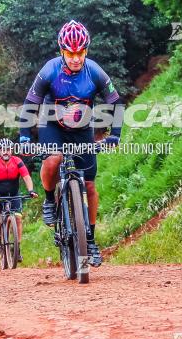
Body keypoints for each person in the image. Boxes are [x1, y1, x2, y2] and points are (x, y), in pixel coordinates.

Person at [18, 20, 122, 267]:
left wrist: (114, 134)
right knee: (52, 158)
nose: (75, 58)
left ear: (86, 51)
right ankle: (50, 199)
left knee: (90, 185)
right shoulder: (49, 70)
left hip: (82, 129)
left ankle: (91, 239)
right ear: (61, 51)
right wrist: (24, 136)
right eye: (70, 53)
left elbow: (116, 103)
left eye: (80, 53)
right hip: (52, 125)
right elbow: (30, 104)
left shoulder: (95, 71)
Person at [0, 138, 38, 262]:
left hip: (13, 192)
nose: (6, 152)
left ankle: (17, 248)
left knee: (17, 218)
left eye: (8, 150)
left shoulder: (17, 161)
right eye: (3, 150)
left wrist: (31, 190)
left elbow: (26, 177)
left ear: (11, 150)